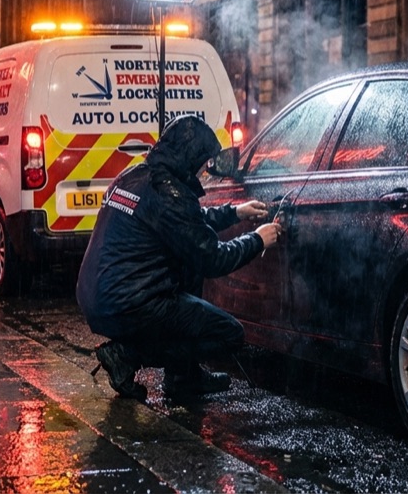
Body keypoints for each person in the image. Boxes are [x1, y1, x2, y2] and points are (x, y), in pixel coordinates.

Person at [77, 115, 281, 401]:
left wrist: (234, 212)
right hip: (130, 304)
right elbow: (213, 259)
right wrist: (257, 239)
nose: (205, 169)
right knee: (228, 334)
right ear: (190, 157)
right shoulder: (169, 192)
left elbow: (185, 224)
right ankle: (128, 355)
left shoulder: (137, 175)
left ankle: (183, 377)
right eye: (203, 162)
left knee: (187, 263)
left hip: (97, 296)